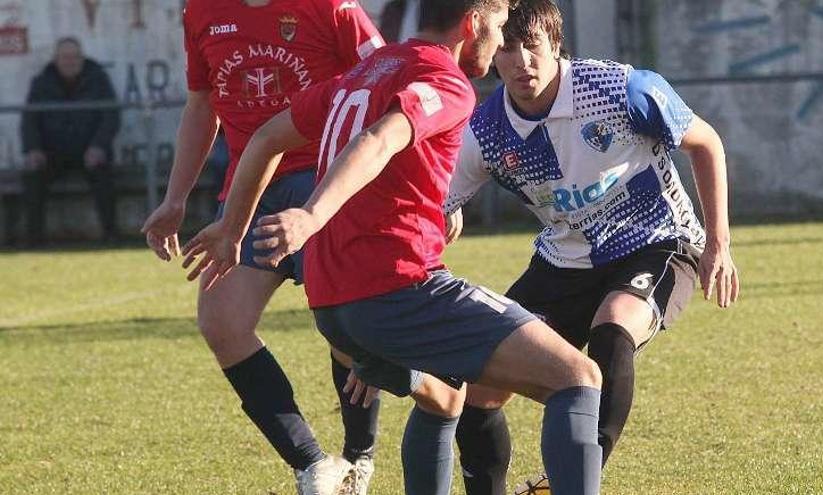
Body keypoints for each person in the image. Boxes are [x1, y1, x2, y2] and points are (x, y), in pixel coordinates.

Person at [181, 1, 608, 494]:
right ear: (472, 23)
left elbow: (264, 138)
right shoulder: (444, 80)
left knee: (444, 397)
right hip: (399, 290)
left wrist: (234, 228)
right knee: (577, 376)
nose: (500, 40)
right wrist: (311, 215)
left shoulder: (366, 72)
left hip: (333, 305)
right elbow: (378, 141)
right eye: (497, 26)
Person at [443, 1, 740, 493]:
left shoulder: (619, 90)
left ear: (556, 45)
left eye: (533, 46)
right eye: (509, 49)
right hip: (563, 260)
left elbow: (706, 143)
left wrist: (719, 245)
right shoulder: (486, 131)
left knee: (614, 326)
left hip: (658, 242)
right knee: (481, 386)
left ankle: (573, 480)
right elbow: (432, 206)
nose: (522, 62)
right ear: (493, 53)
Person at [139, 1, 384, 494]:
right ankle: (312, 463)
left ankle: (359, 457)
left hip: (324, 180)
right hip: (250, 190)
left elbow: (385, 83)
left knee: (341, 324)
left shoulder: (332, 7)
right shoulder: (200, 11)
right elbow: (202, 103)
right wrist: (176, 199)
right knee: (221, 322)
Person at [20, 37, 120, 246]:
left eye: (75, 57)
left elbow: (111, 116)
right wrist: (34, 150)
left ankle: (111, 236)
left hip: (89, 151)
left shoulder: (98, 80)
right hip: (52, 154)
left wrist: (99, 146)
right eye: (65, 57)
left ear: (82, 59)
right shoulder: (41, 83)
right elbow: (29, 120)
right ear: (56, 59)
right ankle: (34, 241)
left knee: (104, 175)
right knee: (32, 176)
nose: (70, 61)